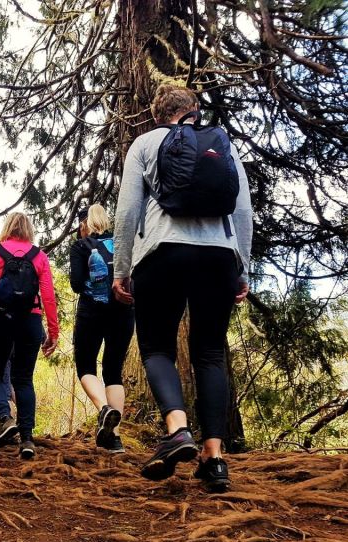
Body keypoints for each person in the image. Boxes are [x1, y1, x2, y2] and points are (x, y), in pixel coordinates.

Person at [113, 84, 253, 493]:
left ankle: (177, 429)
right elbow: (243, 211)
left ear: (159, 115)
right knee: (210, 353)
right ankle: (214, 459)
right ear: (193, 111)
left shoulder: (146, 142)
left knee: (157, 348)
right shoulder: (222, 143)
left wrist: (123, 268)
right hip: (219, 257)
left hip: (162, 254)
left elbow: (127, 212)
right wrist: (241, 268)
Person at [0, 212, 59, 460]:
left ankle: (5, 418)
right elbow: (48, 296)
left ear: (7, 227)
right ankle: (27, 439)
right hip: (30, 320)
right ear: (29, 229)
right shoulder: (39, 256)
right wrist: (53, 331)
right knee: (23, 379)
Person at [69, 204, 135, 453]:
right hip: (124, 311)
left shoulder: (81, 246)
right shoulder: (121, 243)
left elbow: (75, 284)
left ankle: (104, 409)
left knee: (86, 366)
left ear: (84, 224)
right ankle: (114, 439)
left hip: (92, 312)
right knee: (113, 371)